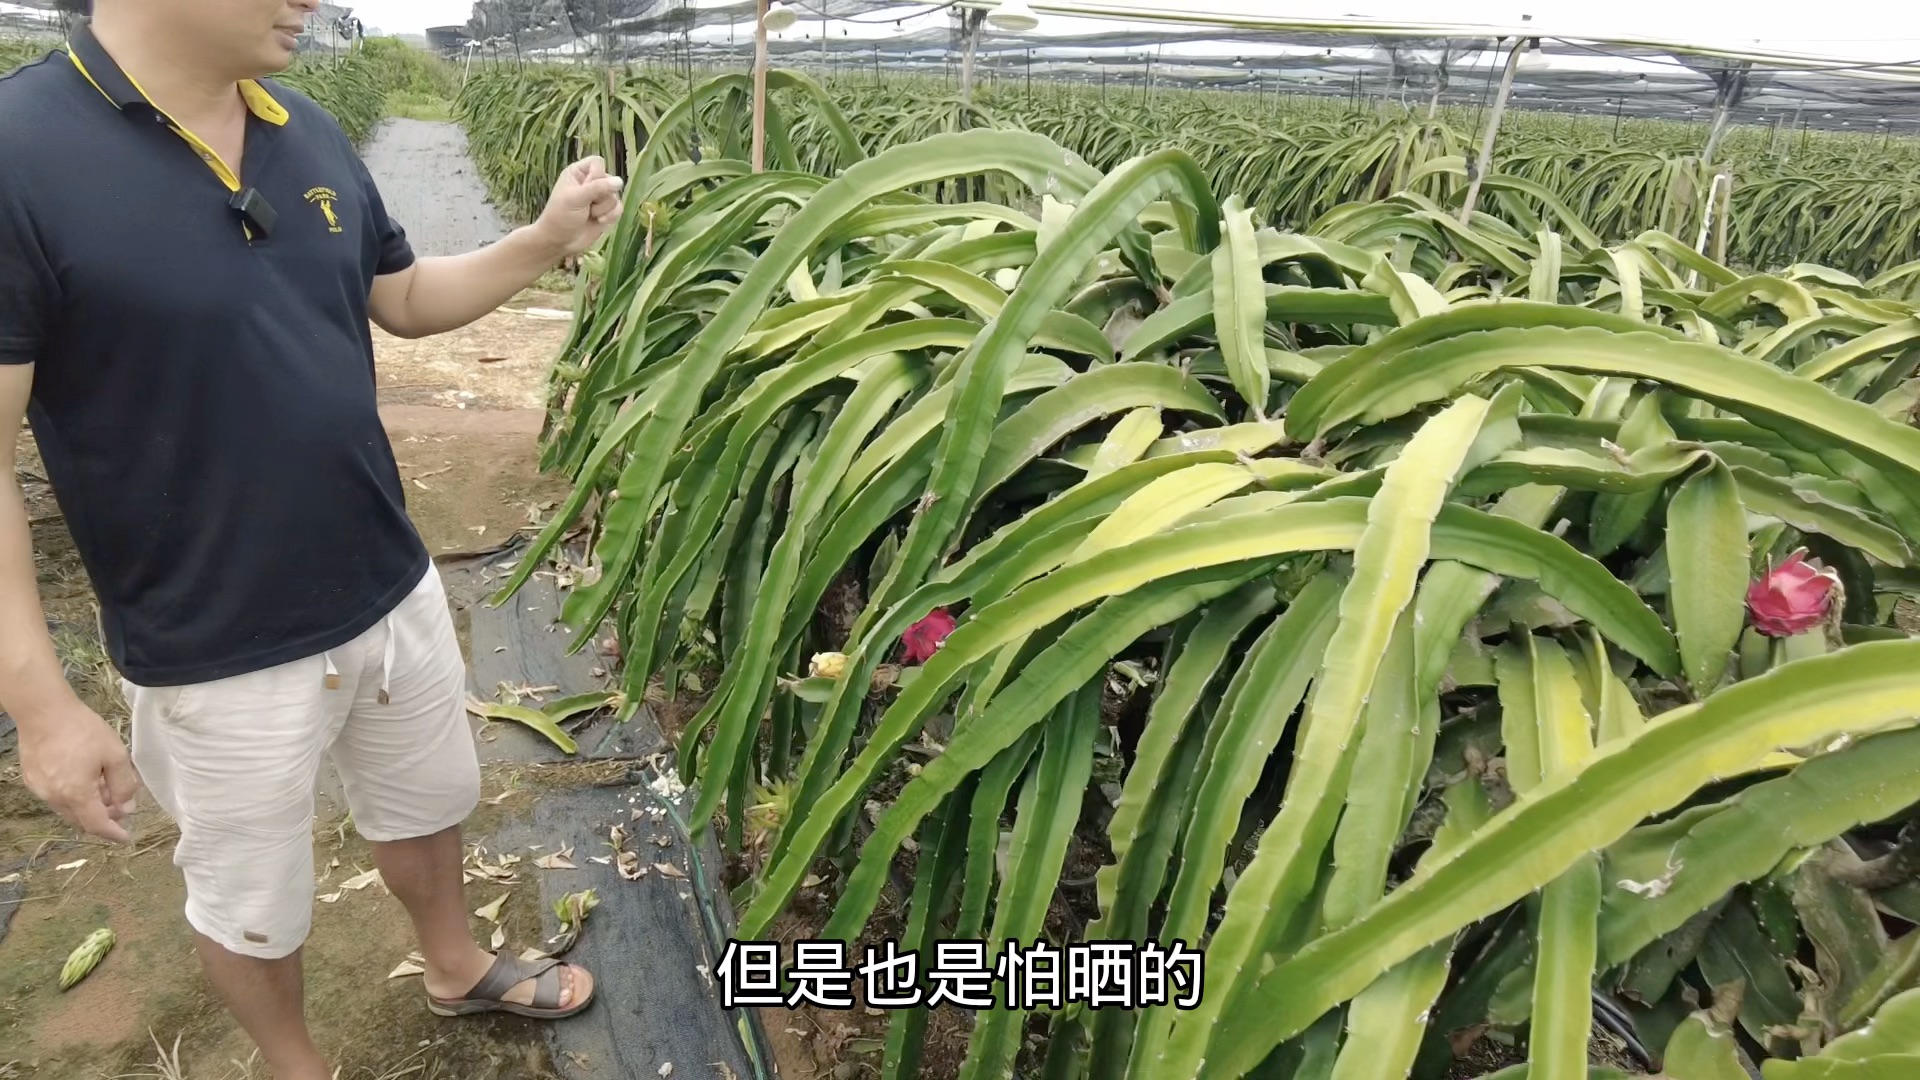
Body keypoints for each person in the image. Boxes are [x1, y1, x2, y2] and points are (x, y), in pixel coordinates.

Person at [0, 2, 621, 1076]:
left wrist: (540, 242)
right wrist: (41, 706)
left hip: (385, 579)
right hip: (210, 639)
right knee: (252, 897)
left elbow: (407, 299)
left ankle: (454, 962)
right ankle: (298, 1065)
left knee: (428, 803)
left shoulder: (308, 127)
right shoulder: (20, 154)